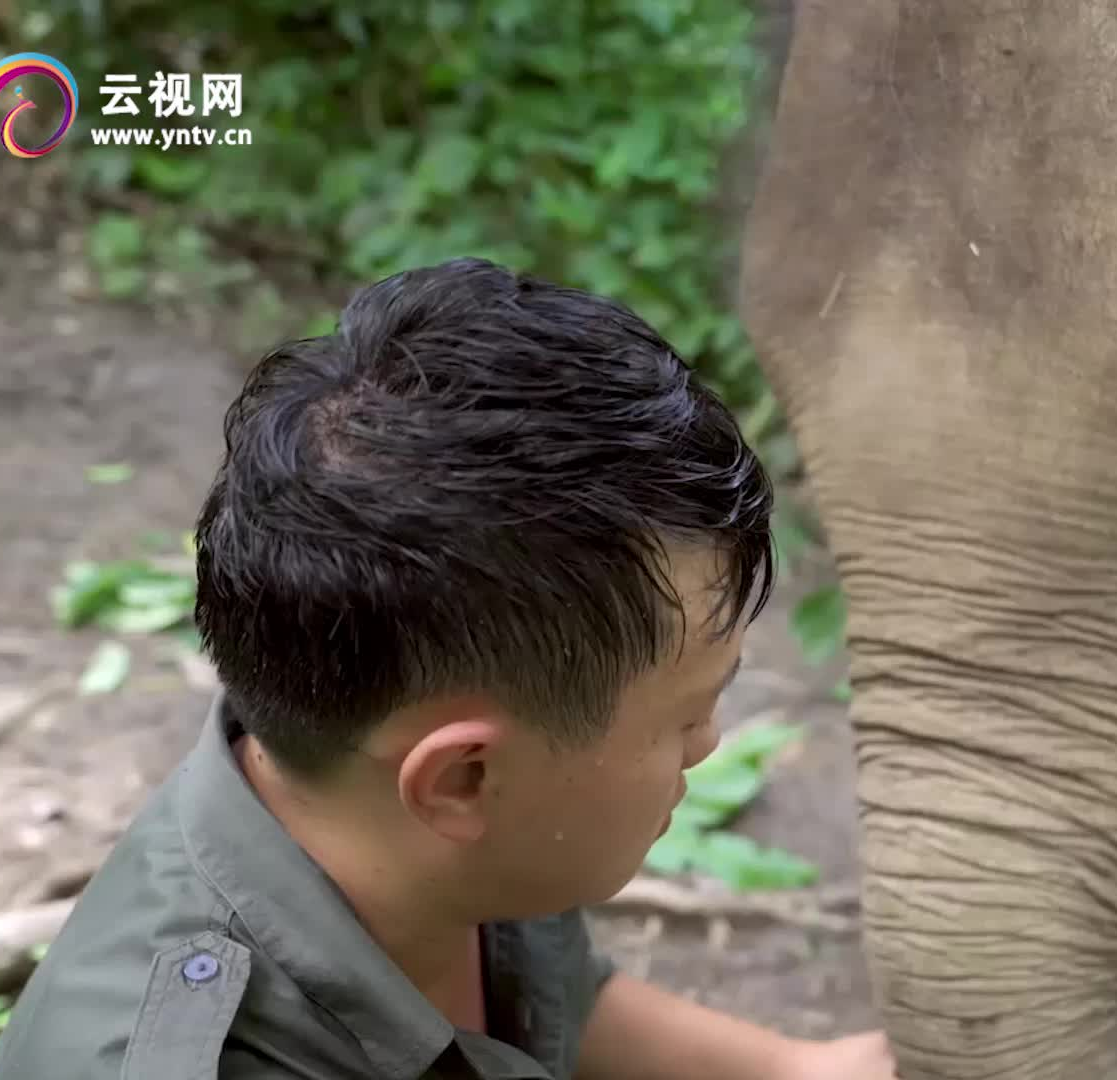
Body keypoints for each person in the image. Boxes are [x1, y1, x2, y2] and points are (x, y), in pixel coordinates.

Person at [0, 258, 900, 1079]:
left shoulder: (411, 824)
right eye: (687, 715)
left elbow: (550, 997)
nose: (707, 745)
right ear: (463, 779)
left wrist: (795, 1070)